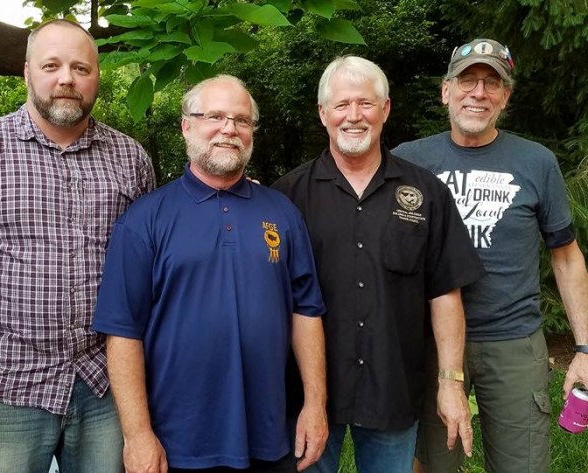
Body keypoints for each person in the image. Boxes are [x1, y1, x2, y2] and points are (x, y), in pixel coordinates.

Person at [0, 19, 155, 472]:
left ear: (97, 77)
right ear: (26, 72)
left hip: (104, 382)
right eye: (51, 65)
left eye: (80, 68)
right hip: (8, 384)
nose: (66, 78)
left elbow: (142, 261)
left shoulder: (131, 159)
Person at [93, 74, 327, 473]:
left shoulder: (282, 213)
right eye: (214, 116)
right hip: (178, 442)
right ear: (187, 126)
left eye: (241, 120)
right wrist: (137, 435)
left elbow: (306, 311)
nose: (228, 129)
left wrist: (315, 405)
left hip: (269, 436)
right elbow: (122, 332)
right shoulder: (145, 219)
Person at [272, 56, 485, 472]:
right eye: (342, 105)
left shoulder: (426, 193)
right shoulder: (287, 197)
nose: (354, 116)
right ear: (323, 114)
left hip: (394, 389)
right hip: (309, 396)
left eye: (366, 104)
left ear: (385, 110)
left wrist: (451, 382)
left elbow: (445, 291)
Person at [394, 38, 588, 473]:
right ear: (446, 91)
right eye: (467, 81)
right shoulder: (409, 161)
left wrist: (585, 348)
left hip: (513, 341)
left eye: (491, 83)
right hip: (431, 342)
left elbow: (566, 256)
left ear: (506, 96)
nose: (478, 93)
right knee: (429, 462)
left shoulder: (536, 162)